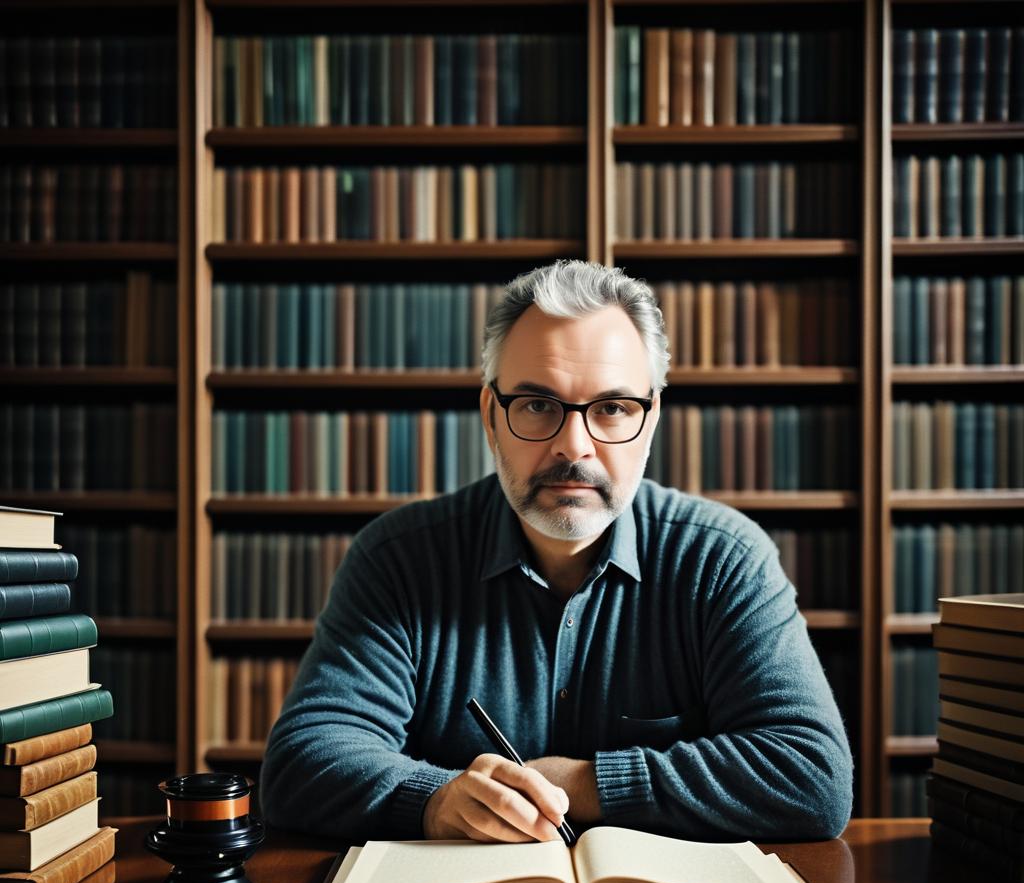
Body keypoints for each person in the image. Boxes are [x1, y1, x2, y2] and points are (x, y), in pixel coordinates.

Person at [260, 260, 853, 844]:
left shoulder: (723, 558)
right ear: (492, 417)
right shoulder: (397, 558)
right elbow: (300, 765)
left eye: (613, 408)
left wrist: (582, 782)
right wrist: (435, 801)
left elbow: (814, 778)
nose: (574, 447)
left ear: (650, 423)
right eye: (538, 405)